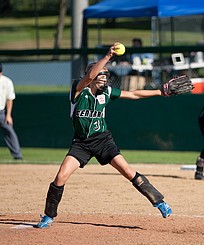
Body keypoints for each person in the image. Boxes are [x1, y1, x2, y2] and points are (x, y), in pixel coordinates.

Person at [36, 43, 172, 228]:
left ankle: (159, 202)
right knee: (60, 177)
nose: (104, 78)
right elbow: (90, 76)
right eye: (101, 74)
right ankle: (49, 215)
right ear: (90, 76)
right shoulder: (78, 90)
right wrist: (108, 55)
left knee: (128, 172)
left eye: (105, 75)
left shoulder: (106, 92)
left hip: (103, 141)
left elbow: (133, 94)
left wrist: (160, 92)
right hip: (81, 143)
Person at [0, 63, 22, 160]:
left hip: (1, 112)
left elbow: (10, 99)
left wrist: (8, 115)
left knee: (9, 131)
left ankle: (17, 156)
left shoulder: (6, 81)